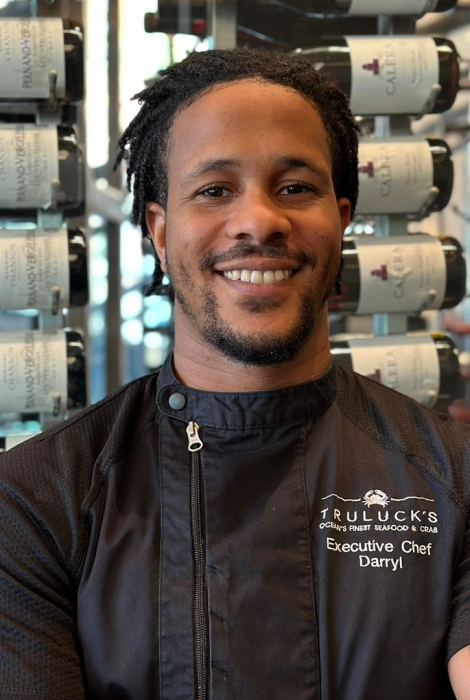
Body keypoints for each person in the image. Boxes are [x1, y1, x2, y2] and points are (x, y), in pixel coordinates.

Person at [0, 47, 470, 700]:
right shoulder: (34, 500)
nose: (258, 221)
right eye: (215, 190)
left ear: (339, 221)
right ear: (160, 232)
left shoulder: (456, 477)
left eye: (295, 187)